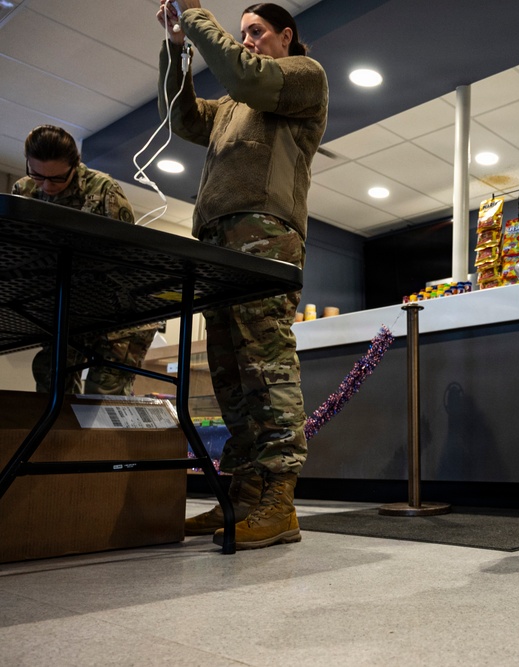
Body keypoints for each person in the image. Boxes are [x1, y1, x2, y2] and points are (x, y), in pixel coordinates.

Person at [155, 0, 328, 550]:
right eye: (243, 32)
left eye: (256, 31)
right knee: (230, 370)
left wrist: (199, 15)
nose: (247, 40)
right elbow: (184, 119)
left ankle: (280, 499)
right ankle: (244, 494)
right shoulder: (232, 105)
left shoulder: (303, 77)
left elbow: (244, 74)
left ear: (286, 35)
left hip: (265, 233)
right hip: (216, 239)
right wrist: (177, 47)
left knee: (266, 362)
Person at [12, 125, 157, 396]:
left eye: (56, 179)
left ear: (74, 166)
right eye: (37, 175)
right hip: (72, 309)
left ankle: (96, 440)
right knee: (50, 379)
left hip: (120, 311)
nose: (46, 186)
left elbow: (129, 263)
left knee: (102, 394)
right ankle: (56, 438)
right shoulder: (25, 190)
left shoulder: (104, 190)